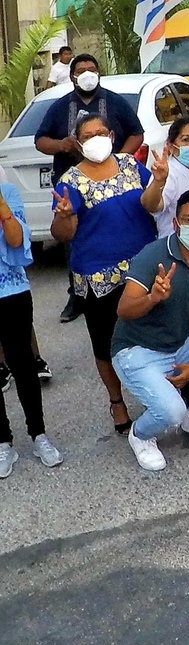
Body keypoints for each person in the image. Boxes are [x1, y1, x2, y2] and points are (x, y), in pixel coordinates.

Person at [50, 112, 165, 434]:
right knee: (106, 343)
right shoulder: (70, 182)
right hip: (97, 277)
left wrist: (158, 181)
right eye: (88, 135)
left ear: (113, 136)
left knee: (153, 333)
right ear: (77, 143)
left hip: (142, 265)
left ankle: (161, 394)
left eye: (102, 132)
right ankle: (117, 401)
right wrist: (65, 215)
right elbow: (63, 233)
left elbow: (151, 205)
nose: (97, 139)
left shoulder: (130, 165)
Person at [111, 190, 189, 471]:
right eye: (188, 220)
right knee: (171, 412)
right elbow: (124, 310)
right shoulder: (154, 255)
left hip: (179, 345)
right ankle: (141, 435)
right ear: (177, 223)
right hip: (137, 351)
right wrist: (153, 298)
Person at [35, 52, 145, 322]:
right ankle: (78, 296)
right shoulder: (61, 105)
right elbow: (40, 140)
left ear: (99, 73)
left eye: (91, 68)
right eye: (80, 69)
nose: (86, 73)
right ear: (72, 75)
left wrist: (122, 157)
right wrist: (62, 145)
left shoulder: (115, 102)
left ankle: (134, 289)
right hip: (76, 185)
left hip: (114, 179)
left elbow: (137, 133)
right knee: (76, 240)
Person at [0, 182, 62, 477]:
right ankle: (2, 441)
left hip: (11, 291)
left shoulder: (8, 192)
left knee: (23, 364)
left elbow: (15, 241)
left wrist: (1, 206)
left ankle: (38, 435)